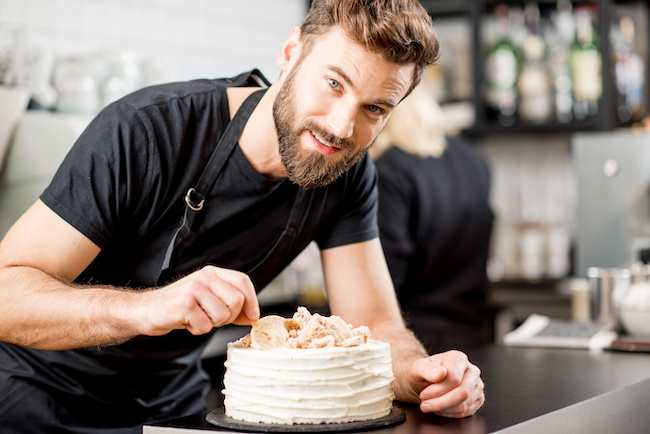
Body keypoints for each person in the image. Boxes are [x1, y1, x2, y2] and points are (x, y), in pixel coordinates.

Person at [0, 1, 484, 432]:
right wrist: (147, 308)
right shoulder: (146, 130)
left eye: (374, 108)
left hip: (172, 411)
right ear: (291, 52)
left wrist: (423, 374)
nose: (341, 126)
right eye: (334, 83)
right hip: (39, 399)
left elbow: (375, 325)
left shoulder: (347, 174)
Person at [370, 71, 495, 355]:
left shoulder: (389, 170)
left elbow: (383, 278)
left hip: (414, 344)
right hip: (473, 335)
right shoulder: (473, 158)